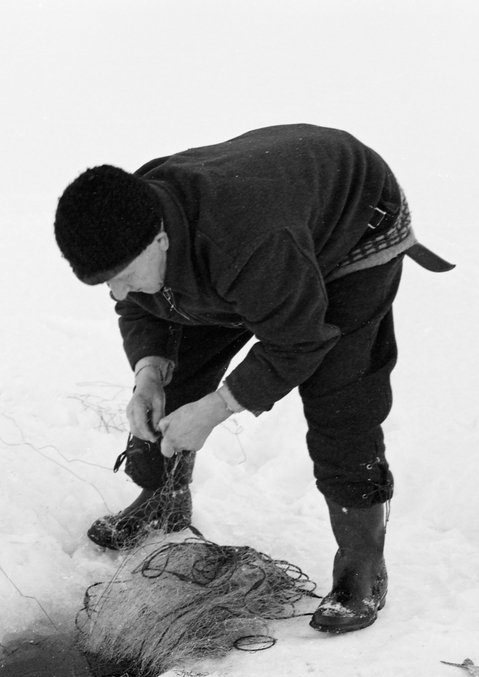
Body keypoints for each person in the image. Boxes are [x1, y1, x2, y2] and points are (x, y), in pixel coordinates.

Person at [53, 124, 453, 633]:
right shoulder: (132, 219)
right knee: (176, 375)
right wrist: (148, 372)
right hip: (263, 237)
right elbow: (143, 306)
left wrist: (221, 406)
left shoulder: (246, 240)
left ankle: (361, 563)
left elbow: (300, 340)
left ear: (159, 239)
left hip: (352, 228)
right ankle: (163, 501)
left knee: (342, 401)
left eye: (123, 275)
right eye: (103, 281)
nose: (115, 292)